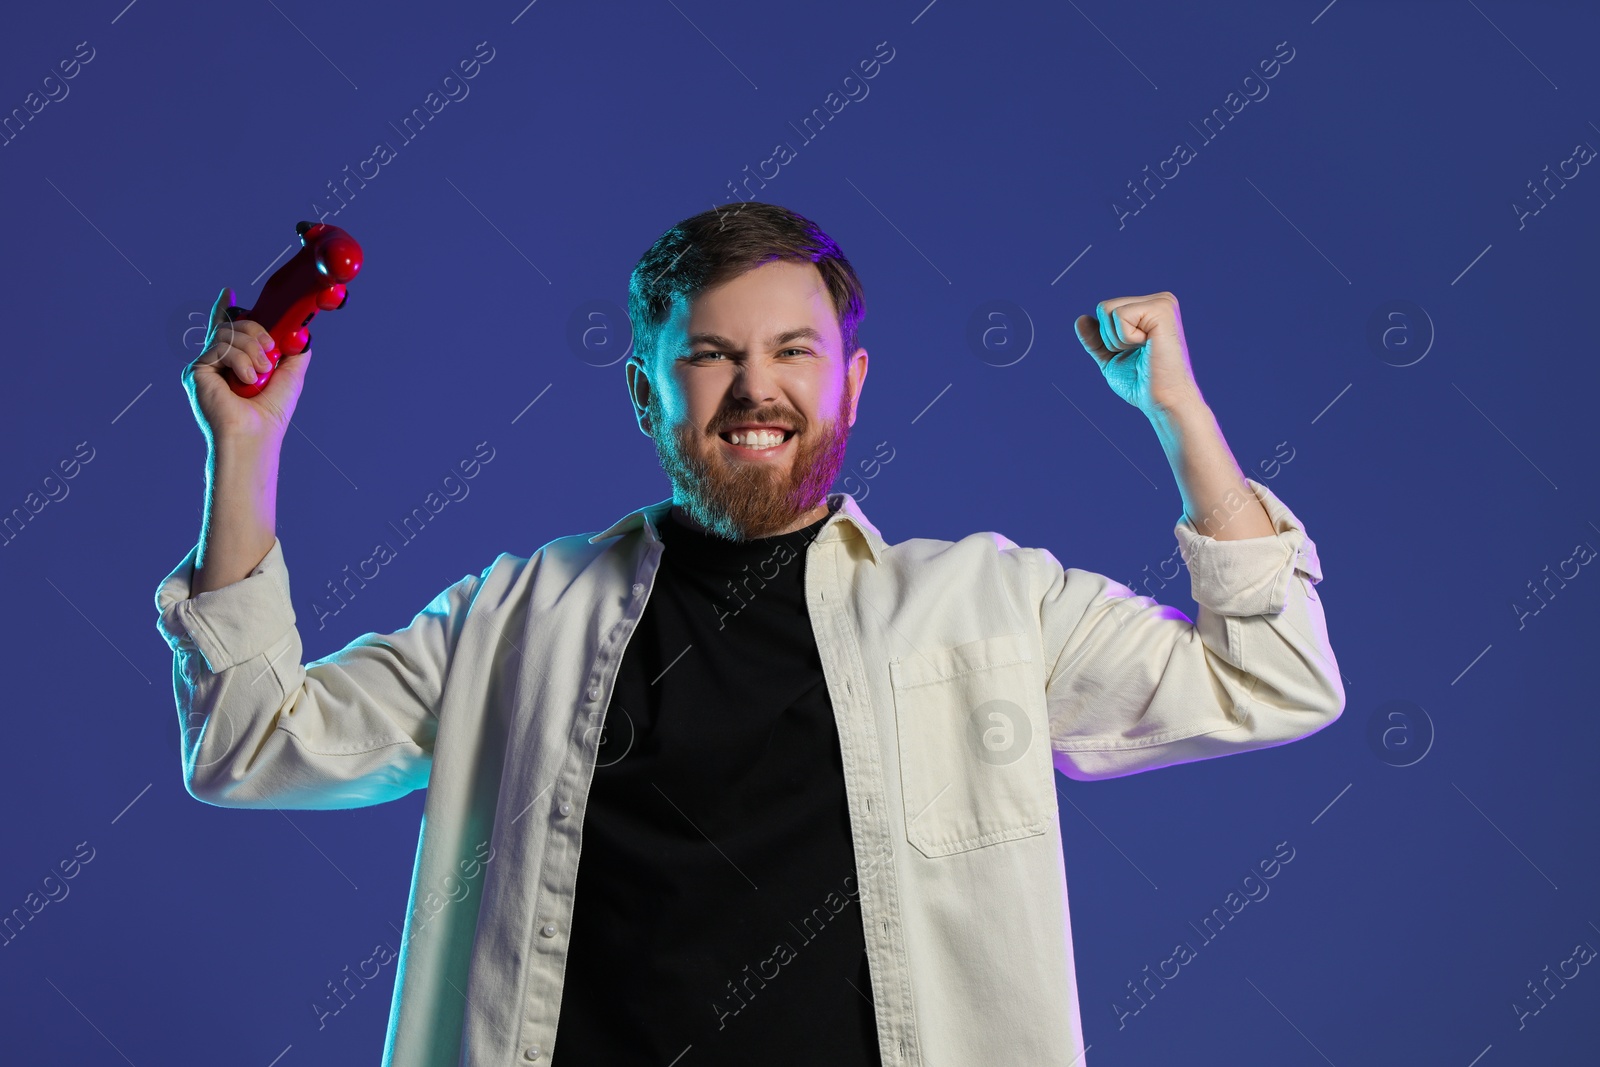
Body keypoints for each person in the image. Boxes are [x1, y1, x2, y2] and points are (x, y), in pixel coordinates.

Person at [155, 201, 1343, 1066]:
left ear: (853, 382)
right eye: (710, 354)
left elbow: (1274, 678)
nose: (752, 388)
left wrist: (1178, 414)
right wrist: (244, 456)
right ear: (644, 391)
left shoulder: (993, 603)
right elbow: (251, 745)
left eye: (792, 352)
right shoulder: (515, 618)